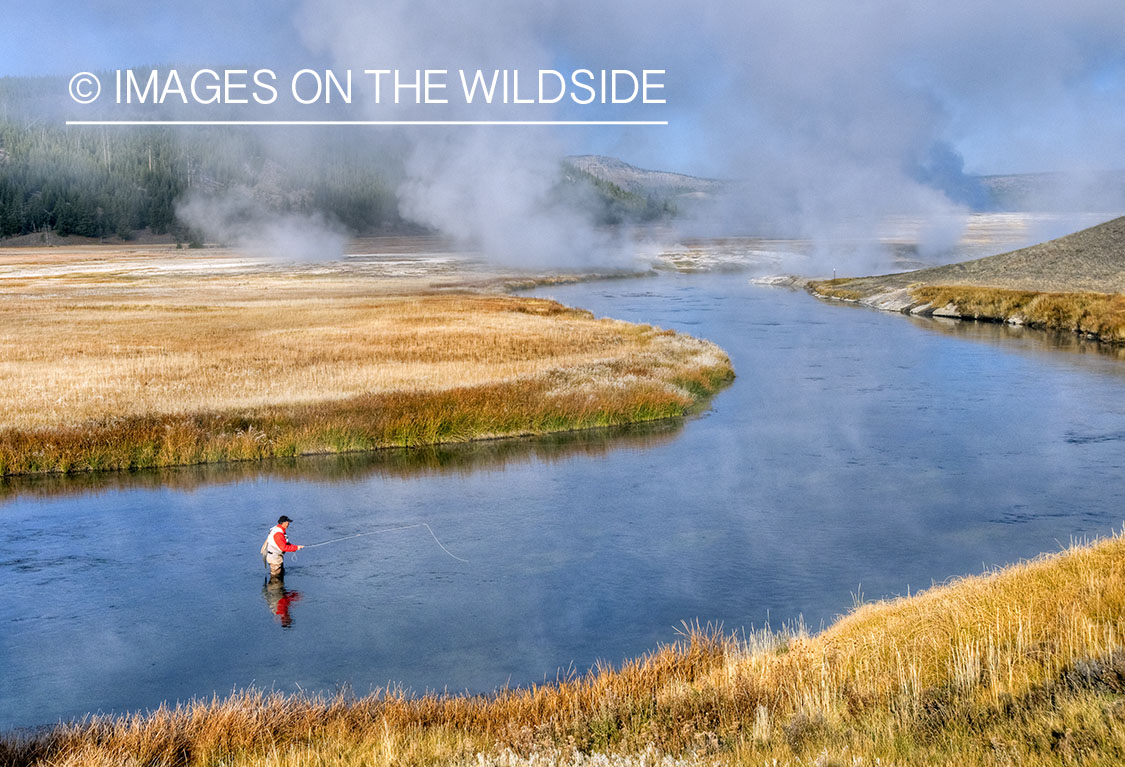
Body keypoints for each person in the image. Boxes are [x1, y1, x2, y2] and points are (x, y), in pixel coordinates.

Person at [261, 515, 303, 580]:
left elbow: (284, 543)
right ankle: (276, 588)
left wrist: (294, 547)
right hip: (274, 558)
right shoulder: (278, 534)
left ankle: (279, 589)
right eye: (287, 522)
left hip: (275, 556)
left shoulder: (278, 529)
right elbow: (283, 547)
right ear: (284, 523)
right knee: (275, 578)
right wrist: (296, 548)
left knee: (280, 575)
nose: (288, 524)